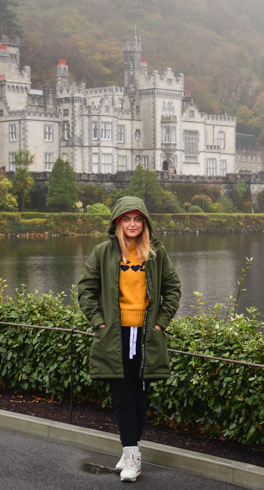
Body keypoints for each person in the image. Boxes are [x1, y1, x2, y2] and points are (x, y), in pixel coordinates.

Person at [78, 196, 181, 482]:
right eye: (127, 219)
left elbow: (173, 289)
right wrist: (98, 321)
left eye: (137, 219)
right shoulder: (103, 252)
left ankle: (130, 451)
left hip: (147, 334)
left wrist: (160, 324)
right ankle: (132, 453)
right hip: (114, 334)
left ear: (144, 222)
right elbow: (86, 289)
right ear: (117, 222)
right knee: (122, 395)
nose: (132, 224)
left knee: (140, 396)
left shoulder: (156, 252)